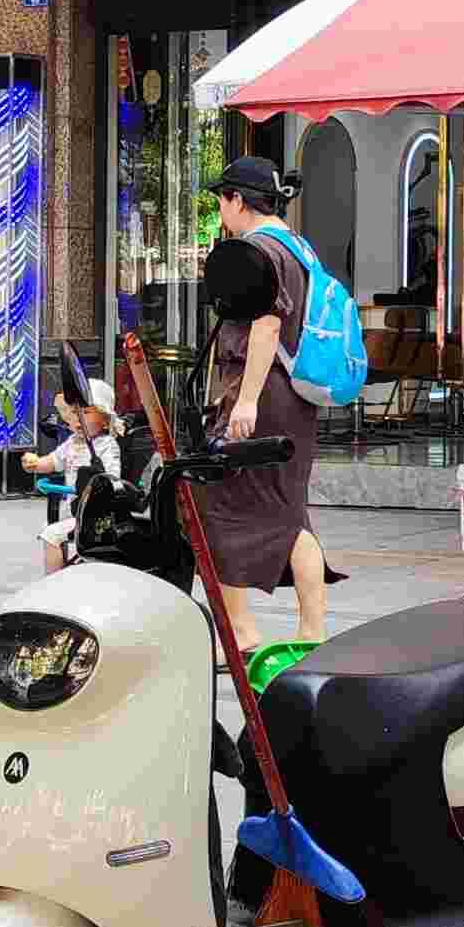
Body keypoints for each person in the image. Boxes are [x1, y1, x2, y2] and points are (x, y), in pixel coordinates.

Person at [196, 160, 327, 660]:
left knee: (215, 505)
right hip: (292, 397)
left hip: (262, 394)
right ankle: (312, 632)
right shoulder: (297, 246)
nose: (220, 212)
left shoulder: (258, 250)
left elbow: (266, 326)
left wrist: (246, 400)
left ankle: (240, 630)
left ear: (237, 200)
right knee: (289, 512)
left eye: (221, 201)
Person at [31, 377, 121, 570]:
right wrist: (36, 464)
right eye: (74, 412)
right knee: (50, 528)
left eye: (86, 412)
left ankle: (54, 581)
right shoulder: (71, 442)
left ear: (106, 421)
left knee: (51, 535)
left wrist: (97, 482)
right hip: (72, 509)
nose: (78, 418)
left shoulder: (106, 445)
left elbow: (112, 481)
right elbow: (54, 461)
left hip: (95, 515)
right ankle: (63, 568)